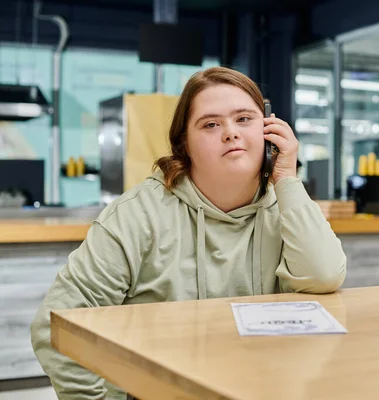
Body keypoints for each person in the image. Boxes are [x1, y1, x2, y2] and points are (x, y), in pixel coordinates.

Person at [30, 66, 347, 400]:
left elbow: (324, 276)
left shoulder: (286, 208)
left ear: (269, 129)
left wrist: (286, 178)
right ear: (184, 144)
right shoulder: (139, 213)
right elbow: (55, 324)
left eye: (244, 119)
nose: (230, 133)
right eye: (211, 124)